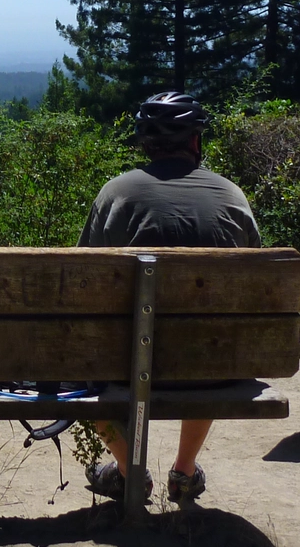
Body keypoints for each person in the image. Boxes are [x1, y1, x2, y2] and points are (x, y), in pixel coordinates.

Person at [78, 91, 260, 505]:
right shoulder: (233, 197)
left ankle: (129, 471)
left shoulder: (116, 194)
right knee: (210, 337)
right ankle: (184, 472)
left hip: (124, 369)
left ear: (145, 144)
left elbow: (80, 286)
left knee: (77, 360)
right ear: (196, 142)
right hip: (215, 368)